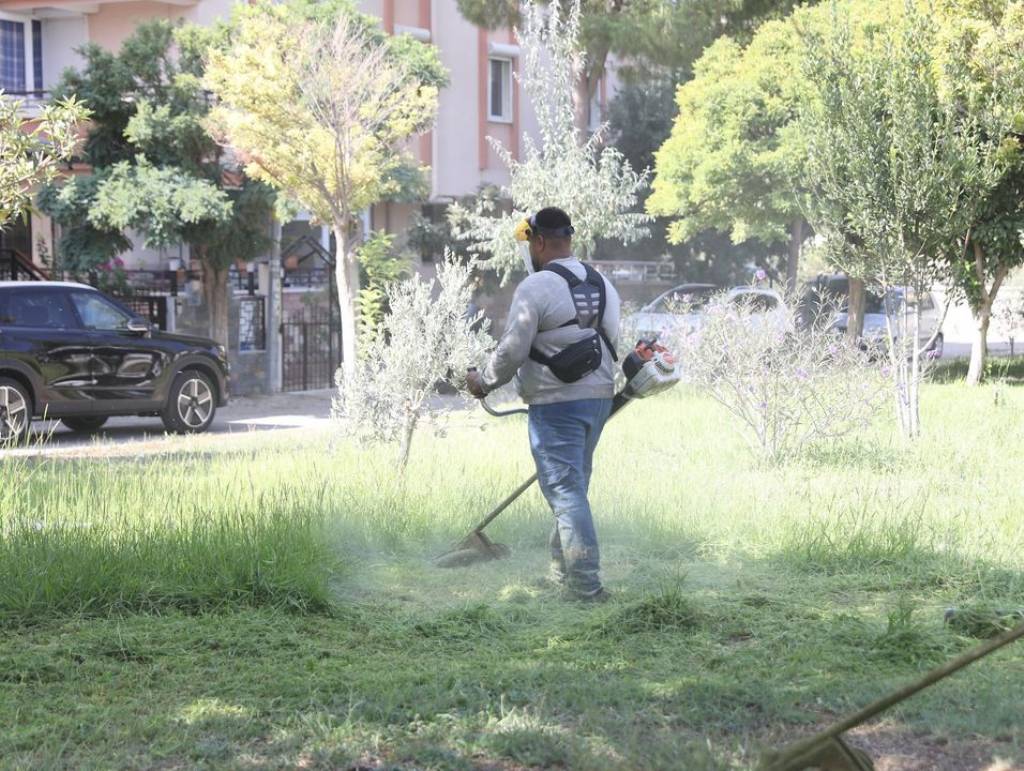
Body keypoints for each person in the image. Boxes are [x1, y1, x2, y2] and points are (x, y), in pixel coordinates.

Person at [466, 207, 620, 602]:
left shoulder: (535, 288)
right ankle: (561, 575)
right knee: (573, 491)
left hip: (556, 404)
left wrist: (483, 382)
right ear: (568, 238)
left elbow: (513, 350)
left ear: (537, 242)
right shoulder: (604, 283)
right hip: (599, 399)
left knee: (566, 494)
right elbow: (614, 338)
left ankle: (587, 588)